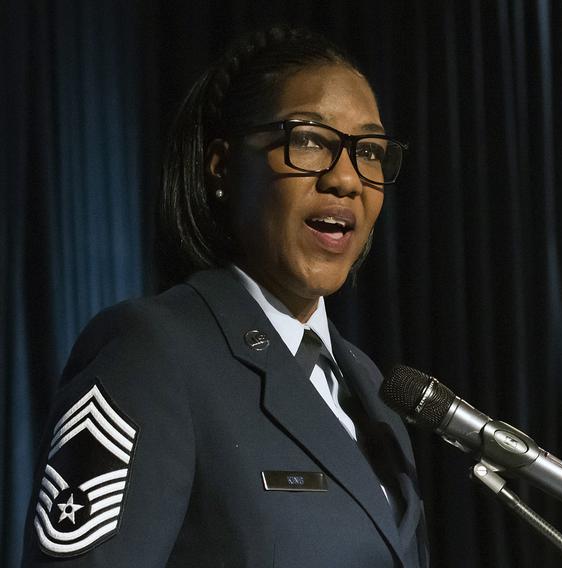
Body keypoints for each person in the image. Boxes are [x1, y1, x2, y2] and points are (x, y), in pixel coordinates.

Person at [20, 26, 427, 567]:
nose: (346, 179)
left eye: (369, 151)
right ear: (222, 167)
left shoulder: (375, 393)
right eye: (309, 140)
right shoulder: (152, 354)